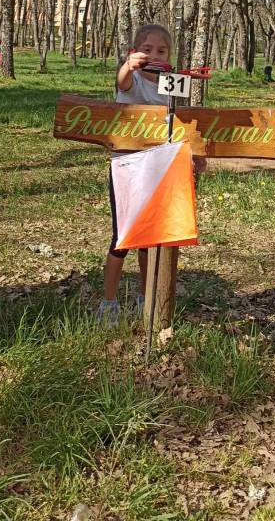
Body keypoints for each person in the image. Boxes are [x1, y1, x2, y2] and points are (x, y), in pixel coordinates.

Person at [97, 23, 173, 325]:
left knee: (148, 239)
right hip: (126, 170)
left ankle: (145, 296)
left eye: (161, 50)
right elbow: (122, 80)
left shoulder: (170, 86)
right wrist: (129, 65)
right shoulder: (132, 81)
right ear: (135, 52)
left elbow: (178, 122)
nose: (154, 55)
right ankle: (108, 302)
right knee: (122, 237)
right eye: (147, 49)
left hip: (157, 169)